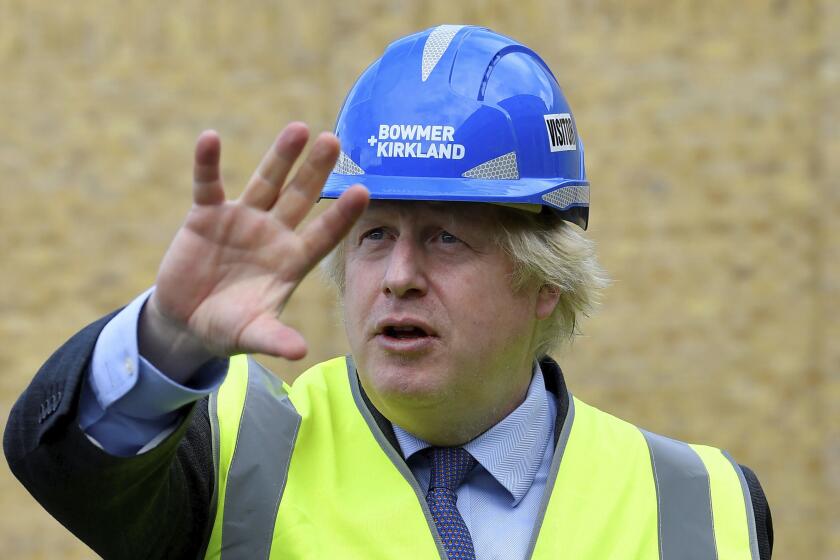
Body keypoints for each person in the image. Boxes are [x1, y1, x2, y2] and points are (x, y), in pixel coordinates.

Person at [5, 25, 772, 559]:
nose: (399, 275)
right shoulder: (236, 447)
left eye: (446, 238)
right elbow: (65, 461)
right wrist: (170, 335)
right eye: (374, 235)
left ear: (546, 280)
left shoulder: (703, 503)